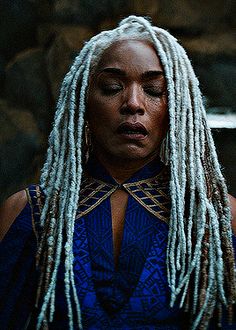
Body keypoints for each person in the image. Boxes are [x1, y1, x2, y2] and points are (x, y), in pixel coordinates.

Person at [0, 15, 235, 330]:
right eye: (112, 87)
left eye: (153, 90)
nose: (133, 103)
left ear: (177, 108)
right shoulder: (27, 214)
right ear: (83, 103)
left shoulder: (216, 218)